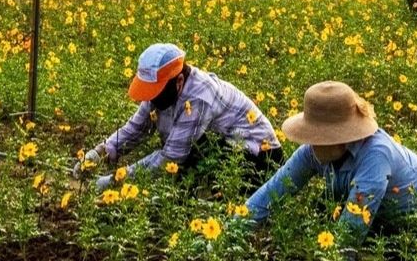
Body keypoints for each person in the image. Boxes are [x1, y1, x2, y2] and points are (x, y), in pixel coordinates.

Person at [245, 81, 417, 261]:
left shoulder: (375, 154)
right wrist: (231, 231)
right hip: (393, 217)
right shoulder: (311, 153)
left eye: (318, 136)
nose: (311, 143)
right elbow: (273, 191)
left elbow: (354, 223)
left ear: (339, 137)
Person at [74, 43, 283, 193]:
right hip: (224, 147)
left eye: (157, 92)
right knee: (190, 157)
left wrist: (114, 181)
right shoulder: (161, 92)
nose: (152, 99)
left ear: (179, 81)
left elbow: (171, 158)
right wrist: (99, 154)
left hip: (257, 158)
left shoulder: (200, 97)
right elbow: (136, 128)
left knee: (189, 158)